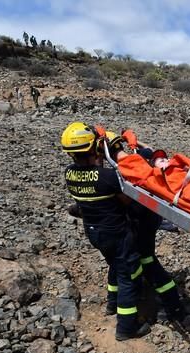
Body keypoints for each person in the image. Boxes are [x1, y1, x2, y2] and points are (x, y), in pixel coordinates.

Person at [61, 122, 151, 340]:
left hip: (94, 232)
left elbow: (93, 175)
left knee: (114, 264)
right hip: (117, 233)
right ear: (93, 148)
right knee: (128, 274)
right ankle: (126, 327)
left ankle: (112, 304)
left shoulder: (69, 174)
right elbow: (128, 201)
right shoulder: (108, 178)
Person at [115, 129, 186, 321]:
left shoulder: (141, 177)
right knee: (140, 259)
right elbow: (148, 150)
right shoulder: (144, 168)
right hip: (148, 220)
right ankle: (141, 291)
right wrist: (135, 143)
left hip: (142, 222)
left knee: (147, 261)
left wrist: (119, 146)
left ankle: (173, 306)